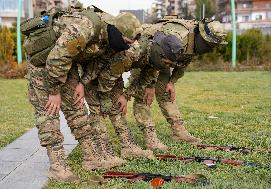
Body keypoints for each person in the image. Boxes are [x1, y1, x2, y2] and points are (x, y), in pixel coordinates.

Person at [21, 7, 141, 181]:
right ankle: (57, 167)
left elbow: (98, 62)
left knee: (76, 107)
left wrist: (81, 82)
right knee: (49, 111)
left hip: (66, 63)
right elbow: (57, 58)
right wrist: (53, 91)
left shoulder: (111, 39)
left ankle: (91, 158)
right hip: (44, 62)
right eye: (127, 41)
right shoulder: (85, 27)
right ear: (117, 32)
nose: (127, 46)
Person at [97, 18, 227, 152]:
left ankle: (179, 131)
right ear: (203, 37)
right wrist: (149, 86)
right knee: (143, 97)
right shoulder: (176, 37)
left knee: (166, 92)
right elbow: (153, 61)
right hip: (147, 52)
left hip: (162, 57)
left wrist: (171, 81)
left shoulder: (190, 42)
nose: (211, 49)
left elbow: (184, 60)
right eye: (210, 45)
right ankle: (150, 138)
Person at [80, 12, 155, 160]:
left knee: (116, 107)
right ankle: (103, 153)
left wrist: (120, 95)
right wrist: (86, 84)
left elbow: (111, 72)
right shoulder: (126, 49)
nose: (129, 45)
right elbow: (105, 74)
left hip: (108, 72)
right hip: (89, 71)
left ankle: (128, 147)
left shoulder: (132, 47)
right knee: (97, 110)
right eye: (127, 42)